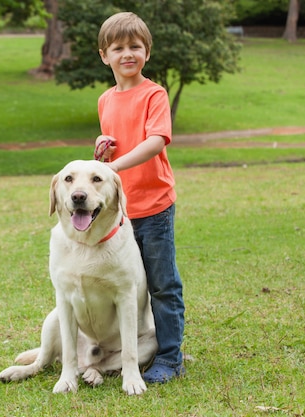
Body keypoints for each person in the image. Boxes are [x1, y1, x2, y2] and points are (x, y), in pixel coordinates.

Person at [94, 11, 185, 383]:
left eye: (135, 46)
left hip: (155, 208)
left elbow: (154, 141)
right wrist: (102, 152)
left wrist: (114, 169)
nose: (127, 53)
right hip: (120, 214)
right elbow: (117, 150)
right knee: (130, 285)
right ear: (104, 55)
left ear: (147, 51)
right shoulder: (105, 100)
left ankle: (169, 357)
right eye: (118, 48)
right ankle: (132, 349)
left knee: (162, 285)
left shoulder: (154, 94)